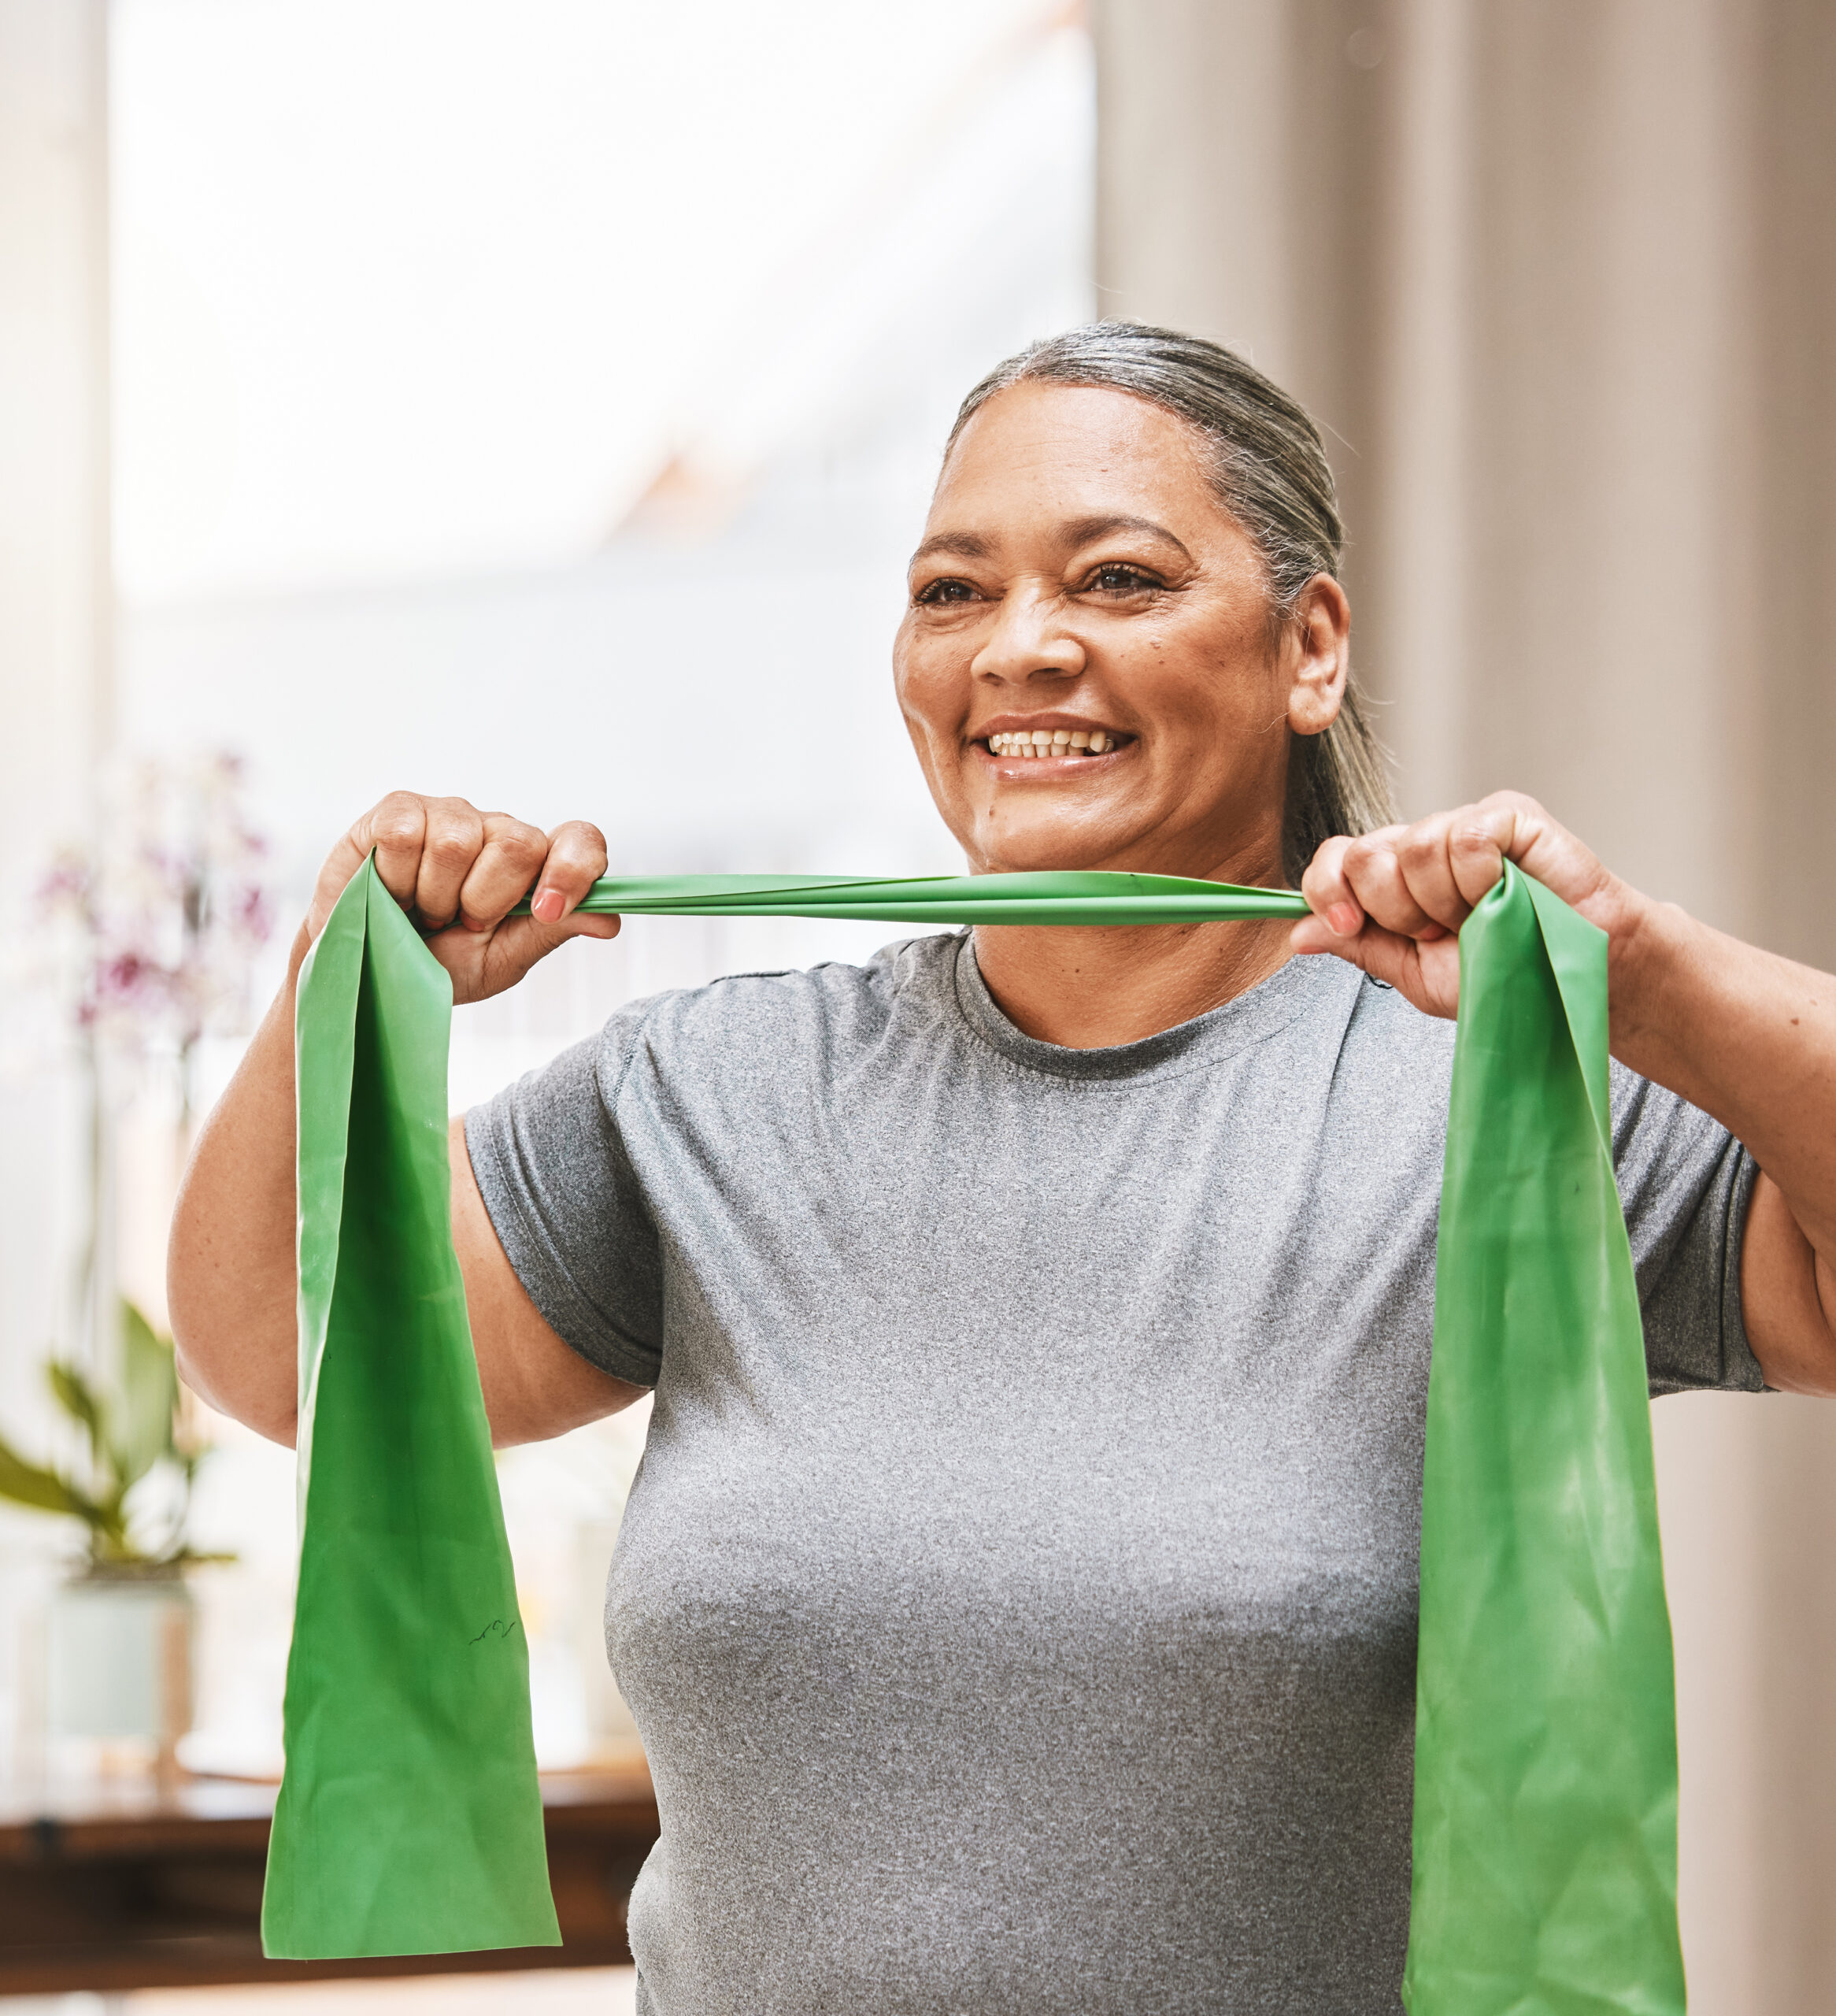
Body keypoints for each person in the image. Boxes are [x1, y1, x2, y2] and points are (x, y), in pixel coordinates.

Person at [167, 324, 1836, 2014]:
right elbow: (264, 1346)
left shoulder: (1494, 1112)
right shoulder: (711, 1092)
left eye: (1115, 578)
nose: (1019, 649)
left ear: (1306, 646)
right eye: (952, 592)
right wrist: (336, 977)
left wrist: (1660, 980)